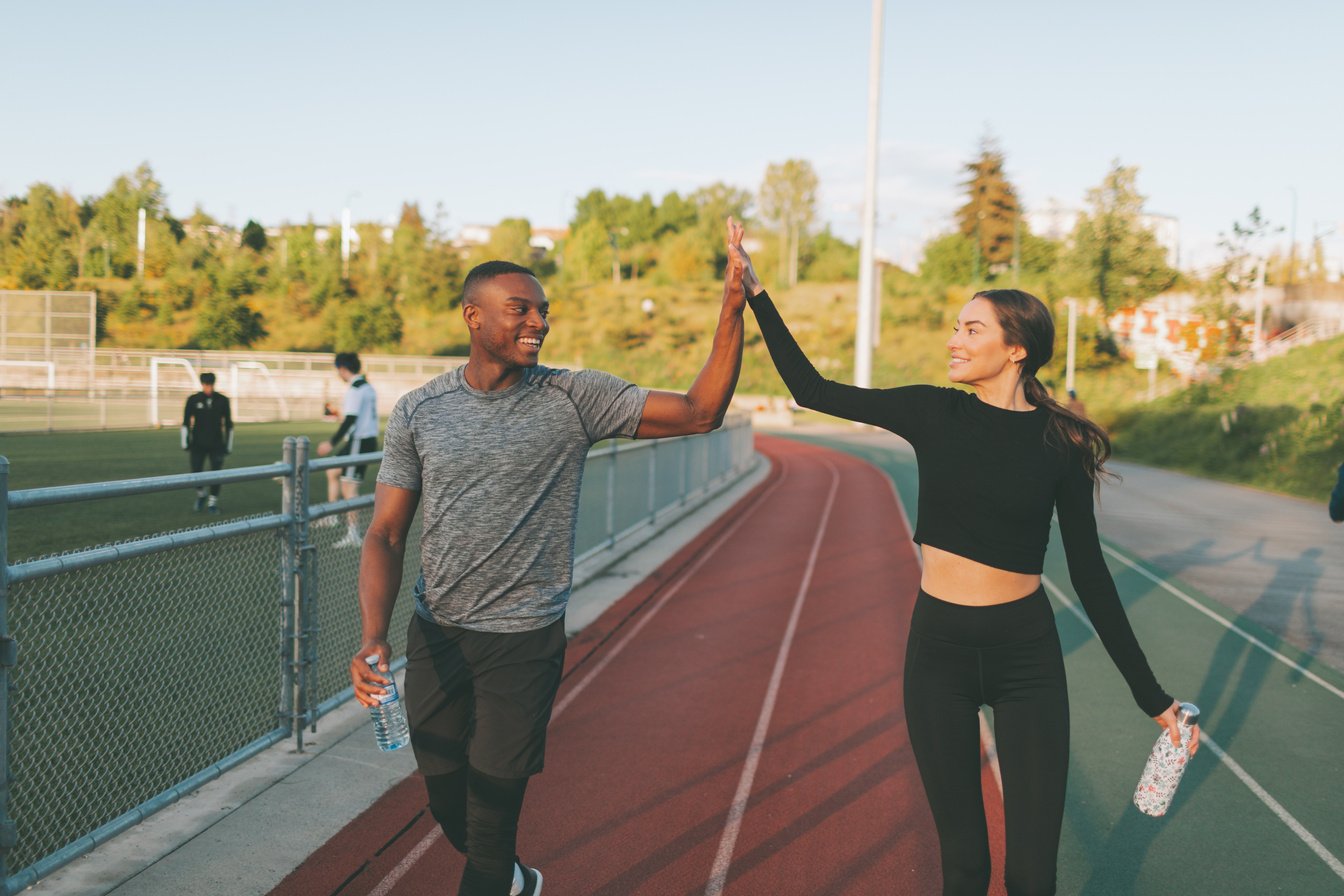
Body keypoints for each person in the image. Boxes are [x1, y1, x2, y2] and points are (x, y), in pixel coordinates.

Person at [739, 248, 1198, 895]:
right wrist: (757, 292)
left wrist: (1154, 699)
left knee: (1032, 876)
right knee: (965, 868)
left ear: (1017, 350)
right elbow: (811, 390)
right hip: (939, 655)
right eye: (956, 327)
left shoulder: (1059, 445)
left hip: (1027, 659)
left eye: (971, 329)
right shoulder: (934, 412)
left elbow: (1091, 576)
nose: (954, 340)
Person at [349, 219, 750, 896]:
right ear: (473, 317)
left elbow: (700, 411)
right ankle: (515, 881)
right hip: (438, 635)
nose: (538, 322)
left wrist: (731, 311)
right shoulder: (420, 411)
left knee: (489, 825)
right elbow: (386, 533)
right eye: (521, 310)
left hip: (523, 644)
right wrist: (371, 640)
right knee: (448, 802)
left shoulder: (574, 398)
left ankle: (496, 876)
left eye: (543, 312)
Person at [317, 352, 379, 547]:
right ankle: (333, 516)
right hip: (364, 440)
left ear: (343, 369)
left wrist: (331, 442)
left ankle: (353, 533)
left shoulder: (355, 389)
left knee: (349, 487)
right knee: (333, 470)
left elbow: (351, 419)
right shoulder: (367, 386)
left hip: (359, 442)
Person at [181, 371, 233, 514]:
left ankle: (212, 503)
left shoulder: (223, 400)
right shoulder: (193, 399)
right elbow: (186, 422)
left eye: (210, 384)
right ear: (202, 384)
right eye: (206, 384)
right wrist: (185, 442)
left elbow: (228, 424)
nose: (208, 387)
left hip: (217, 444)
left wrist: (228, 445)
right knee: (195, 472)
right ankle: (201, 495)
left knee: (216, 474)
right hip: (197, 443)